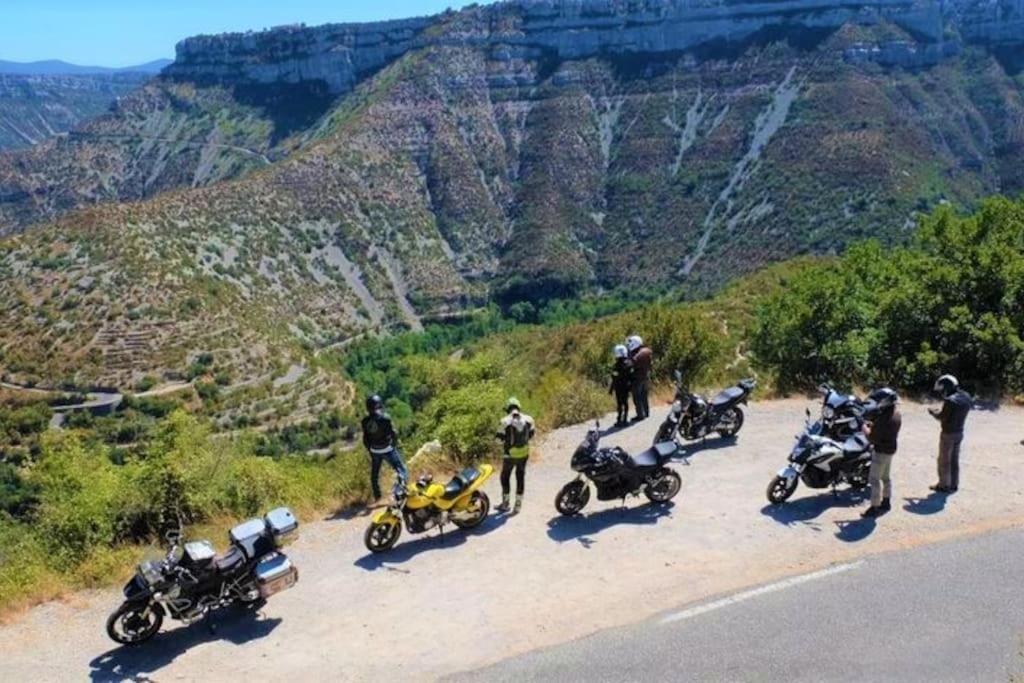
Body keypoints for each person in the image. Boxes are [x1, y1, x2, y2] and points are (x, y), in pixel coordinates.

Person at [928, 374, 972, 493]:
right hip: (959, 432)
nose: (942, 392)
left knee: (944, 460)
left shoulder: (950, 401)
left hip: (948, 433)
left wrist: (933, 413)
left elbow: (943, 417)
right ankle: (954, 484)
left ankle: (943, 485)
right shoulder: (966, 396)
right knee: (954, 459)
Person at [861, 387, 902, 518]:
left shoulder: (884, 418)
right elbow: (884, 430)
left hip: (881, 451)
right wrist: (873, 425)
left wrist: (865, 428)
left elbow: (872, 438)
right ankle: (886, 501)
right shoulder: (896, 413)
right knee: (886, 477)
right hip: (890, 449)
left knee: (874, 479)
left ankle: (874, 507)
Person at [361, 394, 408, 502]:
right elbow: (394, 433)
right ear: (379, 405)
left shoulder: (364, 421)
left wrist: (370, 450)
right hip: (387, 448)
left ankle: (378, 497)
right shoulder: (385, 418)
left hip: (374, 450)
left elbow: (365, 439)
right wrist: (393, 445)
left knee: (375, 475)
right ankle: (400, 492)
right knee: (401, 469)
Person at [495, 397, 535, 515]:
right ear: (519, 407)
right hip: (524, 453)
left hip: (509, 454)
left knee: (505, 476)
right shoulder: (529, 419)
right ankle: (518, 506)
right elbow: (531, 435)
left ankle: (505, 503)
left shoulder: (504, 421)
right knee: (520, 476)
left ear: (508, 409)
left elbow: (498, 440)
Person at [627, 335, 653, 421]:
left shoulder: (638, 354)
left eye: (630, 343)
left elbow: (632, 362)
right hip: (646, 376)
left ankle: (640, 415)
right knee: (644, 396)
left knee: (637, 397)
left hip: (637, 378)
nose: (629, 345)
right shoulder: (646, 351)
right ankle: (646, 412)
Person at [609, 344, 634, 426]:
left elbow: (614, 377)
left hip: (619, 387)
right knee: (625, 403)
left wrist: (611, 389)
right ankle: (625, 419)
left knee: (620, 404)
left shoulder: (617, 365)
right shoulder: (629, 363)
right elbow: (631, 376)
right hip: (627, 386)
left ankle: (620, 419)